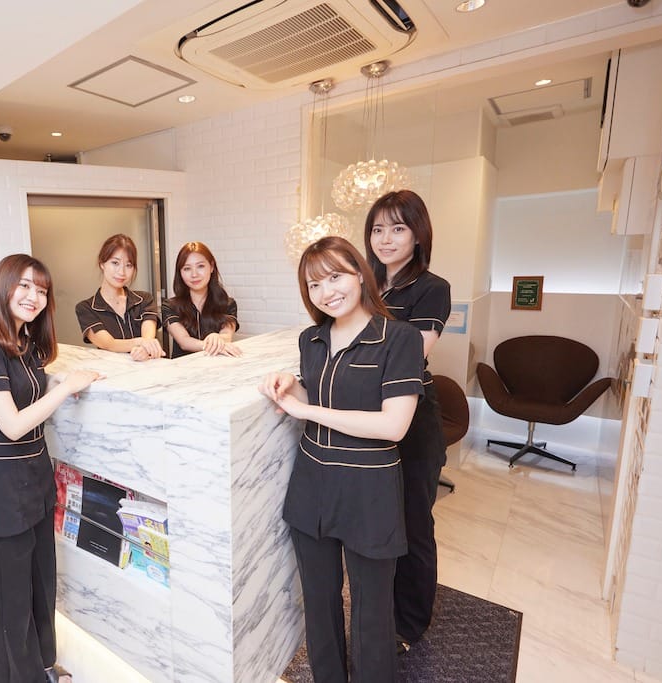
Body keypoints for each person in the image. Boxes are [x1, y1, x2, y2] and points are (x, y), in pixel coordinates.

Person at [259, 236, 424, 683]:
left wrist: (307, 411)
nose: (326, 291)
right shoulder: (311, 339)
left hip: (369, 489)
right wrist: (290, 385)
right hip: (312, 484)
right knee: (319, 600)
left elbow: (394, 425)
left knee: (372, 612)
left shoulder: (399, 338)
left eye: (335, 277)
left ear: (360, 275)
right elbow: (321, 392)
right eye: (314, 285)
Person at [0, 253, 102, 683]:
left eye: (41, 290)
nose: (33, 296)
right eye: (23, 285)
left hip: (32, 483)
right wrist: (67, 388)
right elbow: (13, 424)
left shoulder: (22, 343)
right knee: (12, 601)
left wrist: (61, 382)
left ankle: (42, 666)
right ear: (2, 286)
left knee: (40, 586)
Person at [364, 190, 452, 655]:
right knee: (379, 521)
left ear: (418, 235)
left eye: (398, 228)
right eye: (378, 229)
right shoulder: (364, 285)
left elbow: (411, 355)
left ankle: (410, 623)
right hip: (369, 414)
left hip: (413, 417)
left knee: (414, 522)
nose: (386, 239)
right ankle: (380, 610)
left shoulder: (431, 288)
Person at [75, 233, 164, 361]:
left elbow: (148, 337)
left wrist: (144, 349)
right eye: (115, 263)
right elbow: (108, 343)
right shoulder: (86, 308)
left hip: (147, 369)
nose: (122, 272)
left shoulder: (144, 299)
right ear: (102, 263)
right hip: (111, 371)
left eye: (129, 265)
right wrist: (140, 342)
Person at [161, 241, 241, 358]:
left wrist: (218, 338)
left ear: (211, 267)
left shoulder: (228, 304)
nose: (194, 274)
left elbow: (226, 335)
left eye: (200, 266)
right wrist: (212, 344)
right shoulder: (170, 306)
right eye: (187, 268)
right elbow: (184, 341)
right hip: (184, 367)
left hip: (218, 366)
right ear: (180, 273)